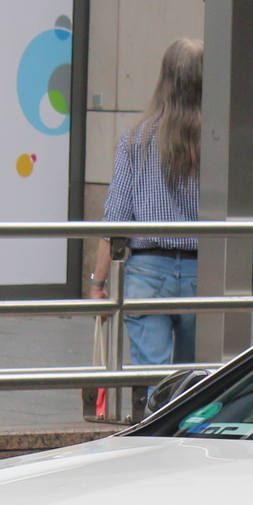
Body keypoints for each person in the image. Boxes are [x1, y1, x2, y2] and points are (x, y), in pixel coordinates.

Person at [88, 39, 202, 368]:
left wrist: (98, 283)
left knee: (150, 377)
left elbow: (115, 220)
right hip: (203, 272)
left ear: (164, 80)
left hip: (147, 272)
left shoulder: (136, 139)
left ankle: (155, 418)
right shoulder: (215, 141)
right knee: (194, 381)